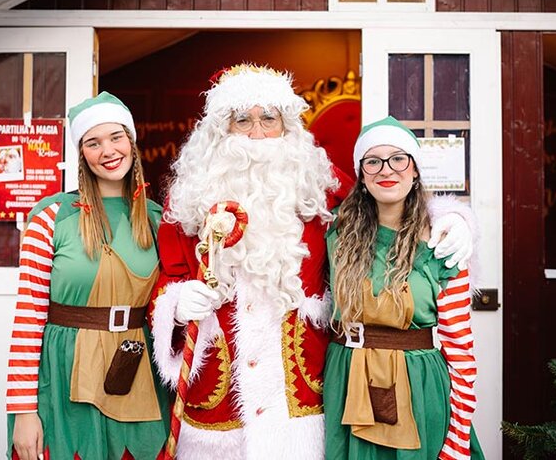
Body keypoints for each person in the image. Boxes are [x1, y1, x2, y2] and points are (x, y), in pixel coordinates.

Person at [149, 65, 476, 460]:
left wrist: (450, 218)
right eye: (243, 120)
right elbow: (169, 277)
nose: (256, 132)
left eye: (269, 118)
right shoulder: (189, 197)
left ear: (287, 127)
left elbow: (384, 203)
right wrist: (176, 303)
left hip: (303, 396)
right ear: (221, 129)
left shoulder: (317, 183)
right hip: (219, 402)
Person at [6, 91, 169, 460]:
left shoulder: (159, 220)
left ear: (131, 141)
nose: (108, 151)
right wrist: (22, 412)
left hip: (137, 372)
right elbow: (28, 319)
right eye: (93, 143)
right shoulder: (51, 216)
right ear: (82, 154)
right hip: (63, 375)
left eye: (116, 137)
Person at [325, 117, 483, 459]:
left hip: (417, 389)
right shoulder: (335, 235)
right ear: (362, 175)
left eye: (399, 158)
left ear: (415, 171)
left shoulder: (442, 244)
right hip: (345, 382)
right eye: (373, 161)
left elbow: (462, 353)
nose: (387, 169)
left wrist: (456, 443)